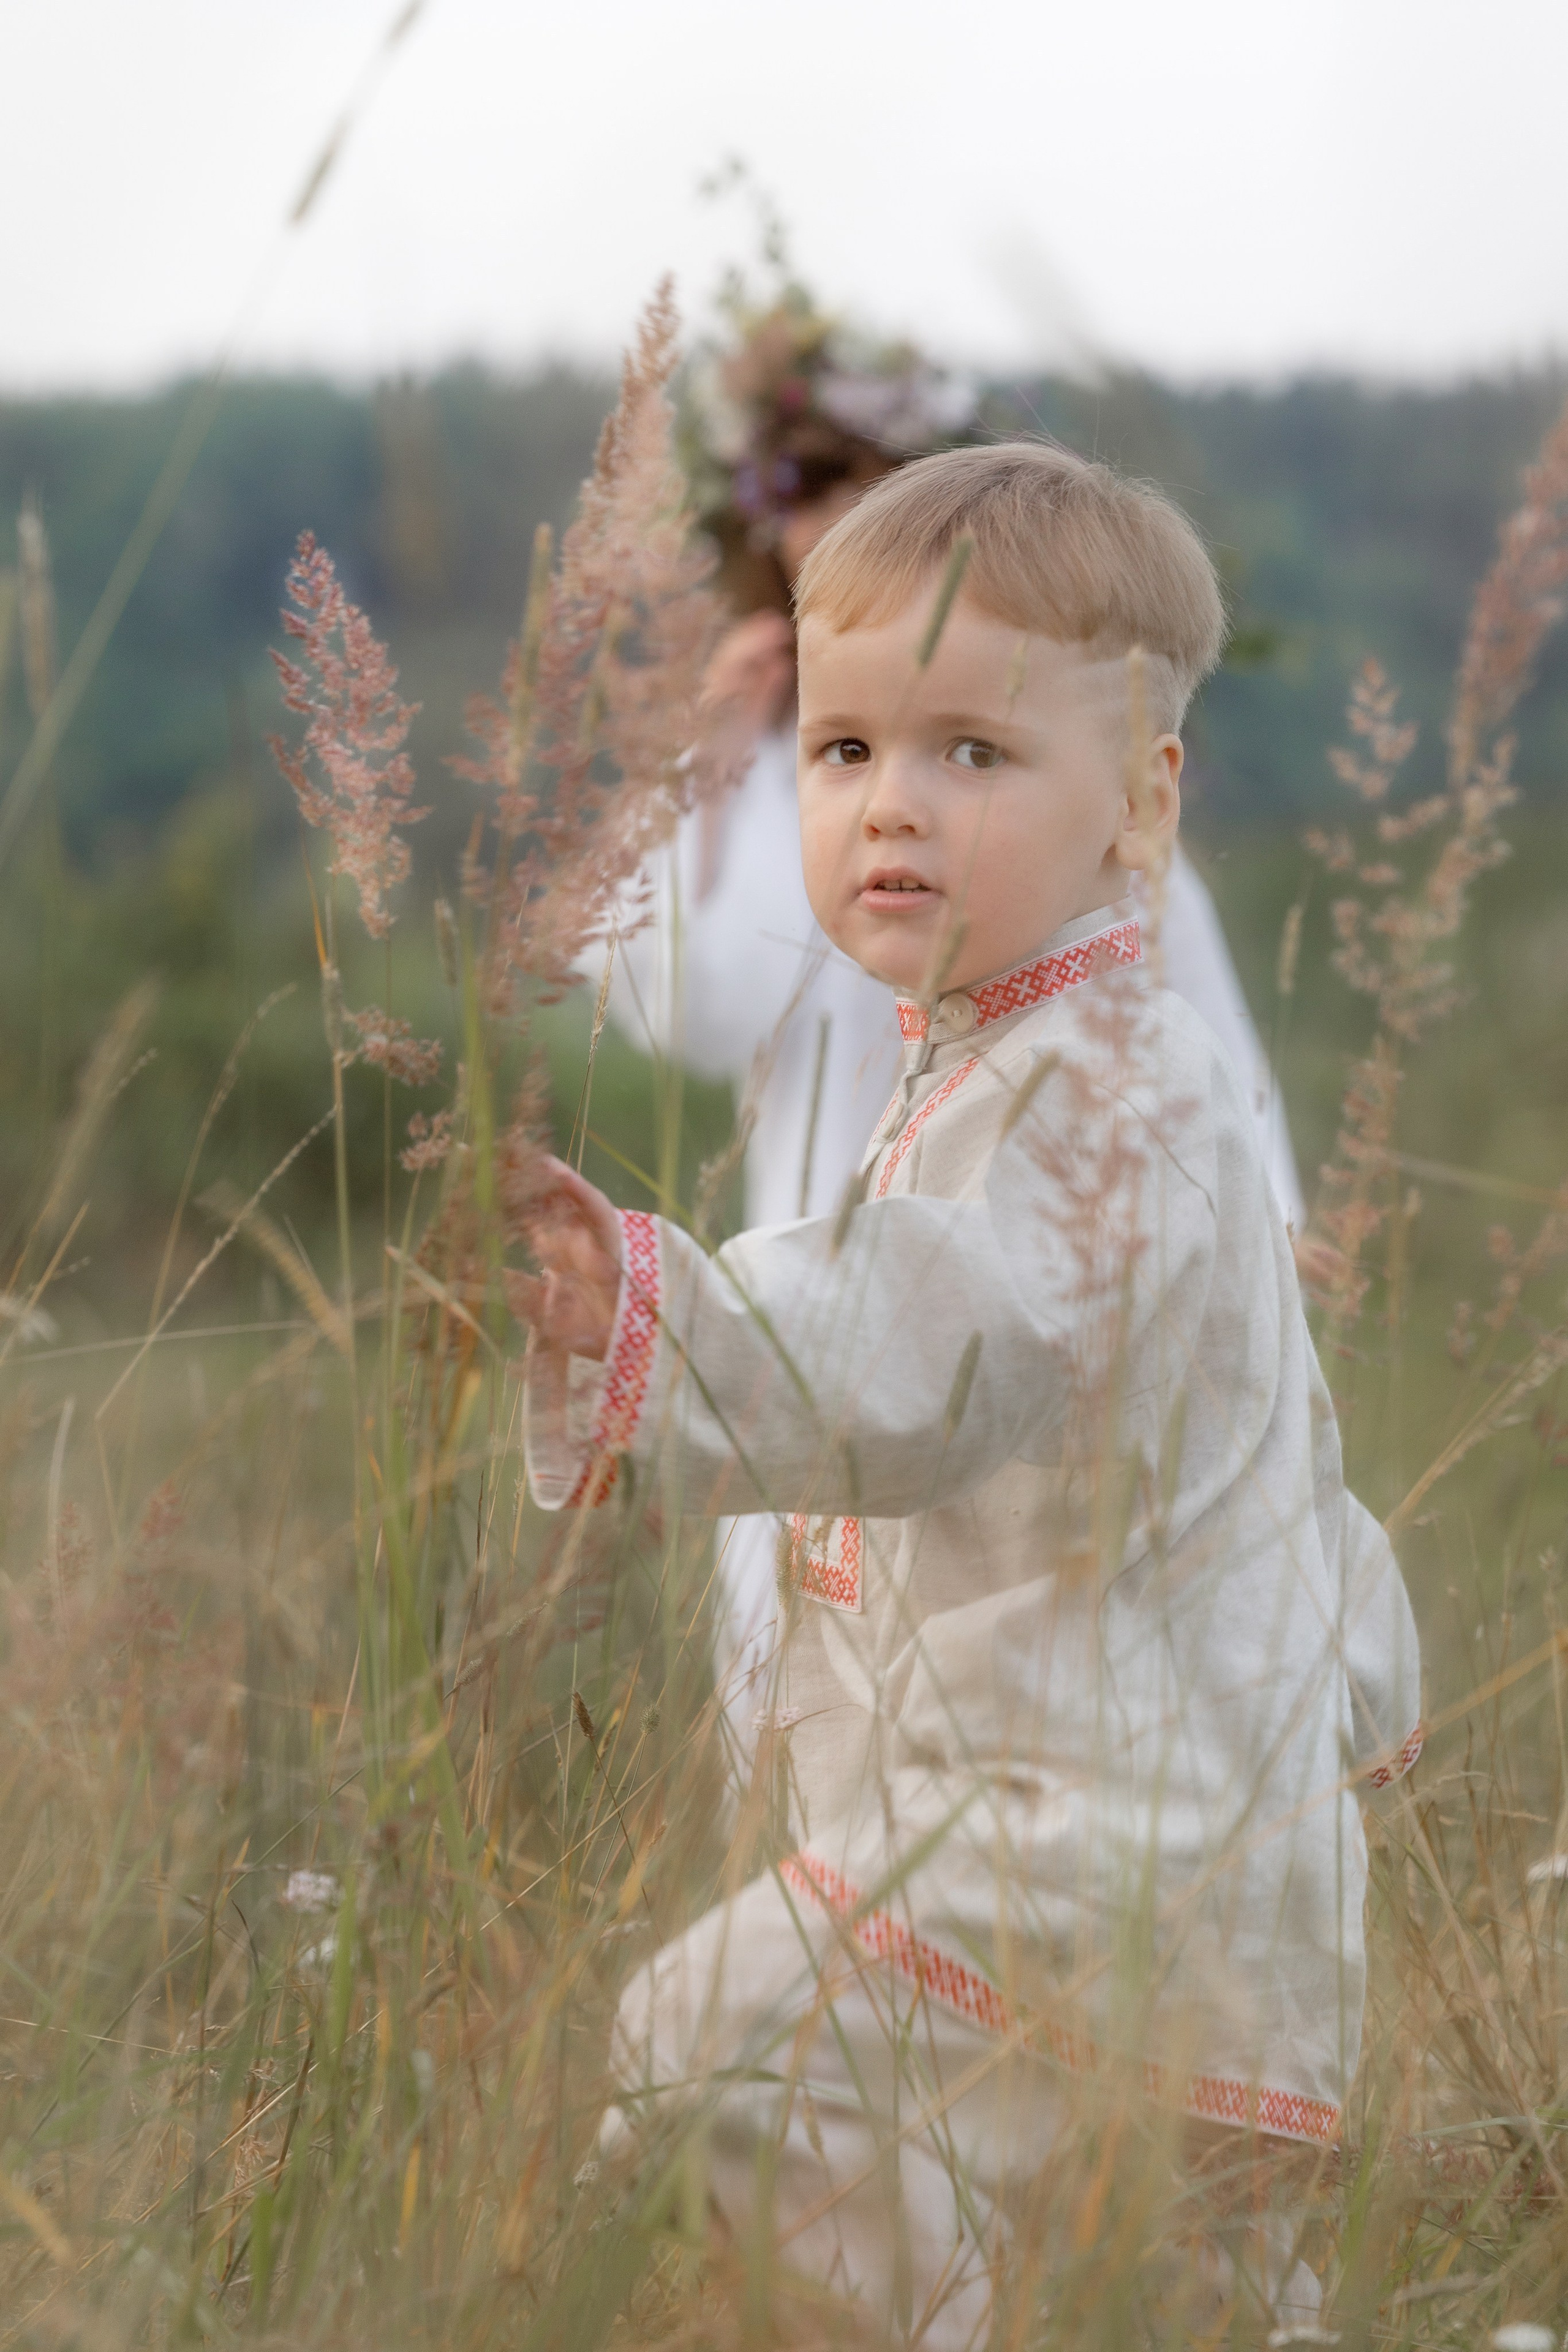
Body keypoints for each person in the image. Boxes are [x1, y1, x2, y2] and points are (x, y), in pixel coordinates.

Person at [519, 443, 1420, 2345]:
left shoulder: (1105, 1088)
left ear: (1142, 806)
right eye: (844, 754)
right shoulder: (1038, 1056)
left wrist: (651, 1319)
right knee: (1173, 2290)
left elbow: (947, 1324)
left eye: (973, 755)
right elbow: (1295, 1480)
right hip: (1191, 1858)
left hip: (1097, 1832)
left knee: (714, 2043)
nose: (891, 808)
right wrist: (1351, 1710)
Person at [597, 300, 1306, 1754]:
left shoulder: (1059, 790)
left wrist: (1265, 1221)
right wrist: (704, 761)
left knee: (1015, 1637)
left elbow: (1191, 1020)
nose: (894, 794)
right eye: (802, 484)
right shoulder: (788, 786)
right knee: (813, 1666)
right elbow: (688, 1001)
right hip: (824, 1236)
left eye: (866, 475)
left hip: (1052, 1252)